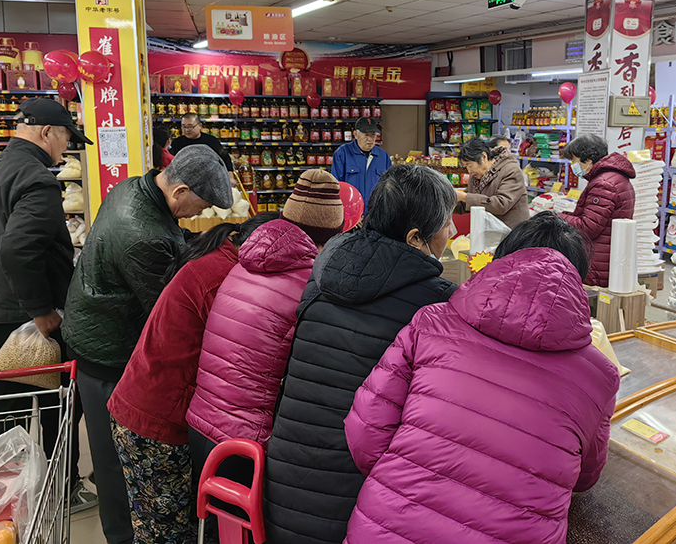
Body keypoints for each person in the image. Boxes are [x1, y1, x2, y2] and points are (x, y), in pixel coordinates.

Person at [343, 213, 619, 544]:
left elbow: (365, 432)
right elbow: (585, 477)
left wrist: (403, 476)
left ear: (503, 258)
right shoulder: (599, 376)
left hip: (387, 526)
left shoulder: (432, 323)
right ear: (577, 280)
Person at [263, 164, 458, 544]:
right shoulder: (433, 305)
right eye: (447, 222)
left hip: (283, 485)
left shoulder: (323, 270)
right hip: (355, 505)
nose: (452, 230)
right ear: (415, 238)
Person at [62, 144, 233, 544]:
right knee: (117, 463)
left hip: (96, 328)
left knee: (113, 456)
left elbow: (172, 242)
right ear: (180, 191)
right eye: (202, 204)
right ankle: (122, 536)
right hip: (108, 352)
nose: (201, 213)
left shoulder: (134, 187)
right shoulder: (144, 237)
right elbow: (169, 311)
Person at [187, 170, 346, 539]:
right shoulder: (309, 283)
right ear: (332, 235)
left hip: (203, 425)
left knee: (222, 533)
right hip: (246, 442)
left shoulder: (246, 262)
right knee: (246, 534)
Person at [108, 211, 278, 544]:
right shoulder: (225, 279)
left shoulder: (217, 258)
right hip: (156, 419)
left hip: (142, 404)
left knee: (162, 527)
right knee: (165, 534)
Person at [0, 97, 96, 511]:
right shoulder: (36, 178)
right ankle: (62, 492)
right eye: (66, 139)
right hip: (28, 322)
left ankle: (4, 502)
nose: (65, 149)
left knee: (8, 414)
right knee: (58, 408)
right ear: (46, 132)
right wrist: (41, 310)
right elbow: (18, 250)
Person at [559, 134, 636, 287]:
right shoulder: (615, 177)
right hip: (608, 255)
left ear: (588, 160)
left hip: (597, 260)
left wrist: (559, 217)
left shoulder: (603, 184)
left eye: (573, 160)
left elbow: (589, 227)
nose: (572, 165)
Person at [454, 137, 529, 228]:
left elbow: (501, 204)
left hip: (512, 231)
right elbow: (466, 204)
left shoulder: (511, 170)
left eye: (470, 165)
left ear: (483, 157)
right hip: (489, 231)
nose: (469, 170)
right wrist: (447, 201)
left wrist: (465, 197)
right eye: (466, 166)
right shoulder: (476, 176)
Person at [331, 116, 391, 211]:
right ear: (356, 134)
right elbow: (336, 187)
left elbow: (389, 187)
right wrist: (348, 212)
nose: (370, 139)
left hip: (375, 214)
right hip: (350, 213)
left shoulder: (383, 156)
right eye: (366, 135)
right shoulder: (342, 153)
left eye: (373, 135)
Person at [170, 113, 234, 182]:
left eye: (190, 126)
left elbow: (225, 158)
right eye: (184, 127)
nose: (187, 130)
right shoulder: (177, 142)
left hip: (209, 179)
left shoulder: (211, 141)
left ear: (200, 126)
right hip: (183, 180)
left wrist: (230, 176)